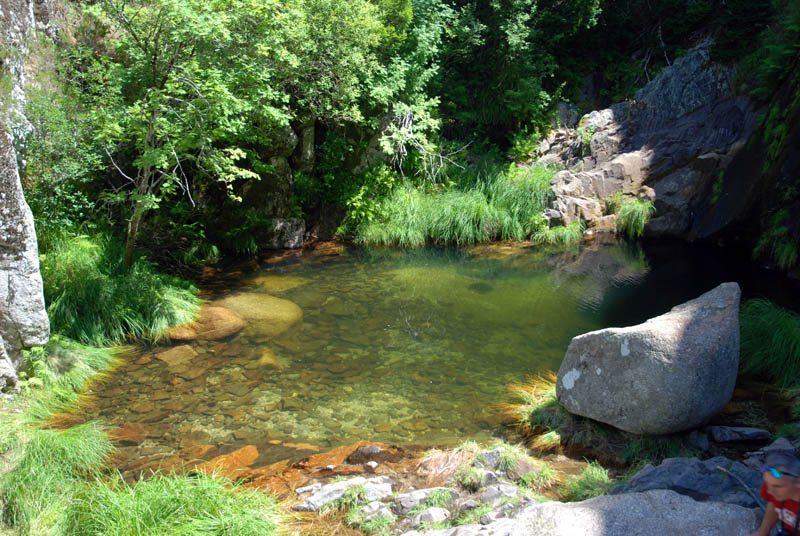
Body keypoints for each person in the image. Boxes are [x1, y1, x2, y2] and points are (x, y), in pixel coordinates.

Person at [749, 451, 800, 536]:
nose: (769, 491)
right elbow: (773, 503)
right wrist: (763, 532)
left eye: (778, 486)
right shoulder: (773, 485)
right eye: (767, 483)